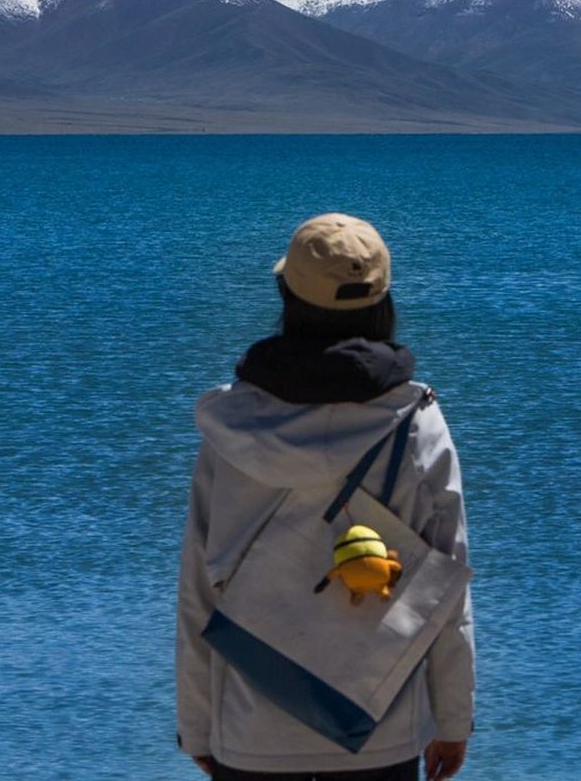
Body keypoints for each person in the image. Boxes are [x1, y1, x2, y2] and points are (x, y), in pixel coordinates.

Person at [176, 213, 474, 781]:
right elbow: (447, 584)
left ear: (287, 296)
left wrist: (196, 723)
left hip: (251, 726)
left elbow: (197, 585)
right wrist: (454, 718)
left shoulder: (232, 425)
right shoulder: (417, 423)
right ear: (383, 302)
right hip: (379, 724)